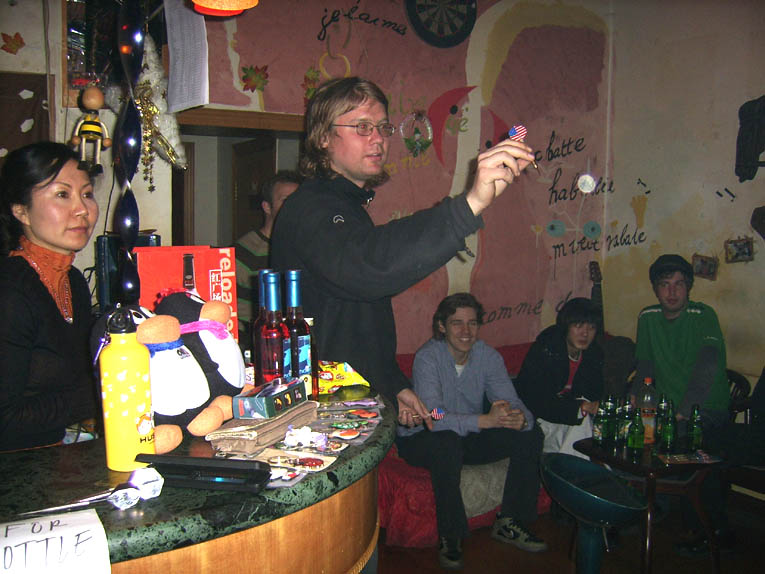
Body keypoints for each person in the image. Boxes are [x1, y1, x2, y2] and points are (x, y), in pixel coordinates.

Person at [270, 76, 536, 428]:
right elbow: (368, 268)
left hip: (346, 400)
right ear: (323, 137)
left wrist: (393, 383)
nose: (378, 138)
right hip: (320, 414)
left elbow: (355, 318)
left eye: (383, 127)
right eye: (362, 127)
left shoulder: (344, 208)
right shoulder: (310, 207)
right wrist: (469, 204)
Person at [397, 293, 546, 570]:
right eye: (457, 323)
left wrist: (520, 419)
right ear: (442, 326)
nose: (466, 331)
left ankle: (511, 521)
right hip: (423, 437)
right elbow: (434, 415)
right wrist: (484, 421)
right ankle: (450, 536)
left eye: (472, 323)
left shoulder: (487, 356)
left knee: (531, 434)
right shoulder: (427, 357)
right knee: (447, 443)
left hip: (468, 436)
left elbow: (511, 400)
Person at [0, 141, 100, 451]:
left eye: (87, 194)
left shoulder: (74, 281)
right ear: (21, 211)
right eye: (62, 195)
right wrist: (104, 391)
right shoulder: (10, 291)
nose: (82, 209)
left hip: (55, 453)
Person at [631, 253, 732, 555]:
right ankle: (648, 507)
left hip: (706, 408)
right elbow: (645, 365)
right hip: (667, 409)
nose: (672, 291)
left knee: (692, 446)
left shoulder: (703, 314)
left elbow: (707, 367)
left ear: (688, 287)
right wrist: (637, 398)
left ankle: (712, 531)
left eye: (679, 284)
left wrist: (683, 412)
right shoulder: (648, 317)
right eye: (665, 284)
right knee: (632, 438)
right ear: (655, 289)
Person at [514, 297, 604, 459]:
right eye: (578, 326)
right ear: (566, 326)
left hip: (567, 419)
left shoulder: (593, 354)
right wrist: (580, 408)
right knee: (581, 422)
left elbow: (594, 393)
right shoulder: (546, 349)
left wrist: (593, 406)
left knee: (591, 424)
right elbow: (536, 401)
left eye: (591, 328)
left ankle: (573, 467)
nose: (585, 333)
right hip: (535, 419)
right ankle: (573, 469)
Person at [233, 171, 301, 343]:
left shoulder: (307, 246)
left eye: (298, 200)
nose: (294, 207)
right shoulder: (244, 251)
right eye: (286, 200)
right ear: (267, 207)